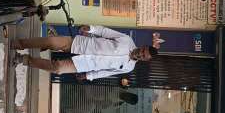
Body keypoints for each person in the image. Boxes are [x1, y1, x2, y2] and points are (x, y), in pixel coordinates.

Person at [13, 27, 157, 81]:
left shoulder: (129, 67)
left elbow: (107, 72)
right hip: (82, 44)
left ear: (144, 60)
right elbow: (106, 32)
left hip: (85, 64)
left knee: (58, 68)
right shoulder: (127, 40)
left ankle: (25, 59)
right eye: (143, 51)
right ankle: (20, 44)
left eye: (143, 56)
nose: (140, 54)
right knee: (51, 41)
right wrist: (91, 28)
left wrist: (89, 76)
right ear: (143, 47)